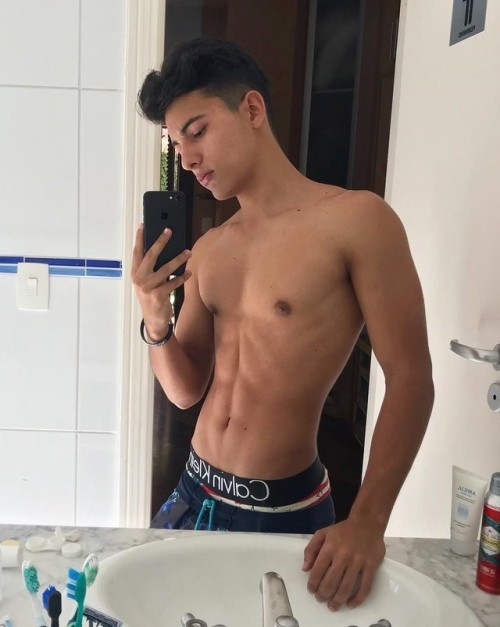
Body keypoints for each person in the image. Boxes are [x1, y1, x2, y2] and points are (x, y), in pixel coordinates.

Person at [131, 37, 434, 611]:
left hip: (285, 509)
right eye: (176, 143)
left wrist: (368, 522)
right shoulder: (212, 248)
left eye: (197, 131)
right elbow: (185, 389)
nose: (188, 158)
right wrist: (154, 318)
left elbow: (411, 377)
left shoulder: (358, 221)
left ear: (251, 109)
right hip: (192, 492)